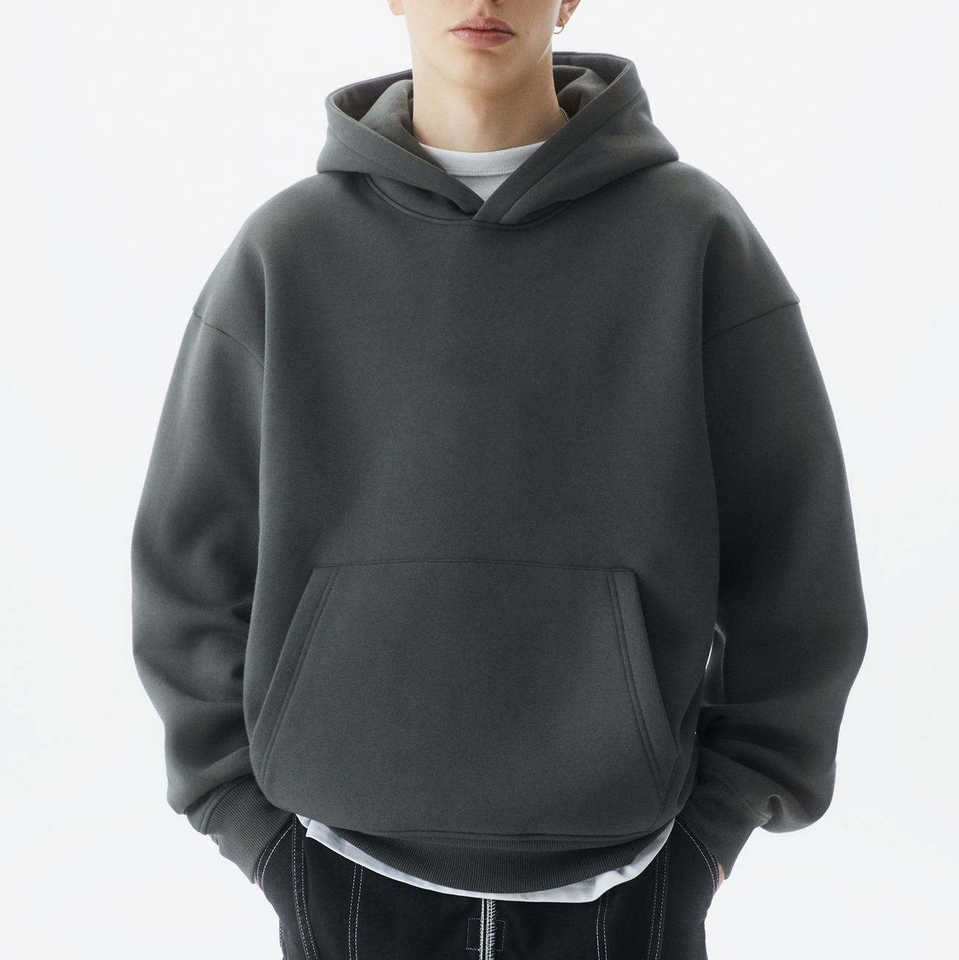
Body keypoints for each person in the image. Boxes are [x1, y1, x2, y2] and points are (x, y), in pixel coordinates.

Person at [130, 2, 869, 957]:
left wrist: (719, 825)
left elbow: (796, 560)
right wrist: (245, 818)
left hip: (636, 875)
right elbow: (189, 561)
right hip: (334, 862)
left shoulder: (692, 237)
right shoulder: (287, 250)